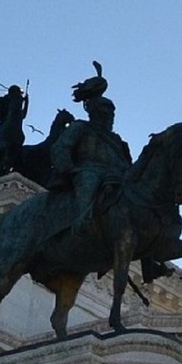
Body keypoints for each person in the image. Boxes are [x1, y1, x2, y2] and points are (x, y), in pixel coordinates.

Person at [48, 63, 132, 238]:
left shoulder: (117, 140)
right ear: (94, 111)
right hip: (87, 170)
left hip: (115, 175)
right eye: (104, 111)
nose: (109, 116)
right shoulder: (80, 127)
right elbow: (61, 147)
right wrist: (68, 168)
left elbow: (128, 164)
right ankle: (84, 222)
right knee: (89, 180)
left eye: (111, 113)